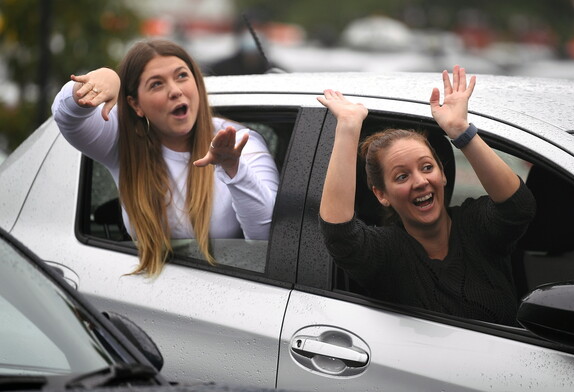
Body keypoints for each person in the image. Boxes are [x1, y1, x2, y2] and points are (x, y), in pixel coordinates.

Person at [317, 66, 535, 326]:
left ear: (442, 173)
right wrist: (349, 127)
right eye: (401, 176)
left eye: (427, 167)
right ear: (381, 194)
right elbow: (340, 235)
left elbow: (517, 206)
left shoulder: (475, 225)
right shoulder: (387, 251)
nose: (420, 182)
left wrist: (460, 131)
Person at [52, 39, 279, 277]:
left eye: (181, 76)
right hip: (149, 291)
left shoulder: (240, 142)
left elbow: (265, 240)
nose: (175, 90)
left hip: (230, 293)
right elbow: (66, 116)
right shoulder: (122, 142)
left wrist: (234, 168)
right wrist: (103, 79)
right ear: (135, 105)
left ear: (197, 84)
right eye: (157, 84)